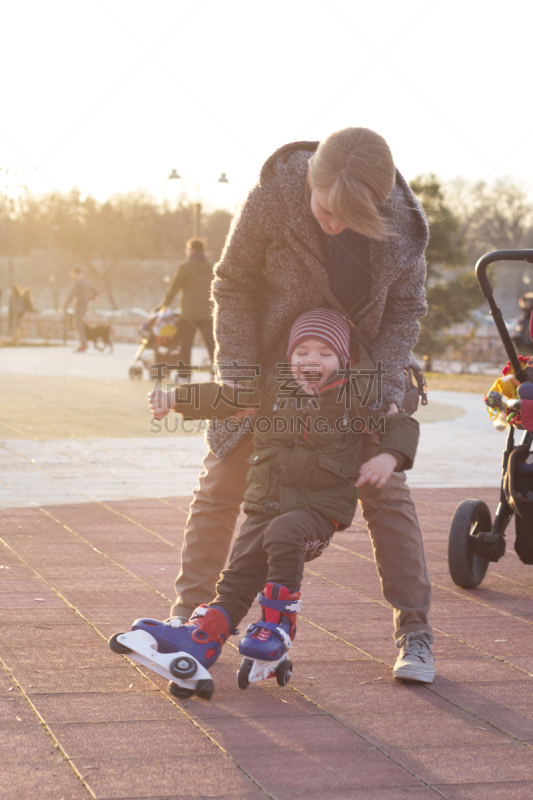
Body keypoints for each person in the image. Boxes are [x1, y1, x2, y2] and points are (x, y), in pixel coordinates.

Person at [163, 127, 434, 682]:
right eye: (324, 208)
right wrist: (237, 380)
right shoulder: (276, 194)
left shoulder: (403, 230)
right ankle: (189, 616)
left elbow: (406, 309)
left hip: (354, 370)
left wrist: (378, 391)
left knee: (384, 489)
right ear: (309, 181)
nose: (331, 222)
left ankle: (415, 631)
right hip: (268, 366)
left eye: (347, 216)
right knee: (224, 481)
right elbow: (232, 281)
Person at [143, 308, 420, 680]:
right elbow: (224, 398)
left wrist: (388, 456)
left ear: (341, 360)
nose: (311, 360)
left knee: (284, 532)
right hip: (266, 506)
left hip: (317, 512)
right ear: (289, 357)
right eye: (302, 352)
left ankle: (278, 625)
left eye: (325, 353)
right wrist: (176, 399)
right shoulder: (271, 389)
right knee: (238, 572)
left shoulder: (355, 397)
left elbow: (399, 422)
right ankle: (204, 636)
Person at [160, 237, 215, 375]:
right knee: (213, 346)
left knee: (186, 345)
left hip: (189, 313)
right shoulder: (212, 267)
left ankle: (184, 375)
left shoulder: (185, 267)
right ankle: (218, 374)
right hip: (208, 313)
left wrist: (164, 304)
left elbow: (174, 288)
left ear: (192, 250)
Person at [60, 268, 98, 352]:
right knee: (79, 324)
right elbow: (96, 292)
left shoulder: (78, 283)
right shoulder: (88, 283)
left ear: (75, 274)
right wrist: (89, 298)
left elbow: (71, 295)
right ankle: (84, 342)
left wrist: (64, 306)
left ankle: (83, 343)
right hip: (85, 306)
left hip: (79, 307)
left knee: (77, 325)